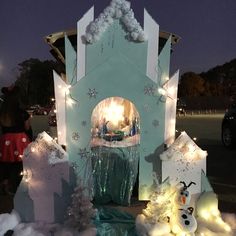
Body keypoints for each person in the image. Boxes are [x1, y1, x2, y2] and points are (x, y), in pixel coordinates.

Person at [0, 85, 32, 195]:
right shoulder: (22, 113)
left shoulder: (2, 113)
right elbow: (27, 127)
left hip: (6, 141)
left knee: (6, 163)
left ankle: (5, 182)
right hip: (19, 140)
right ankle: (18, 186)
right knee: (20, 164)